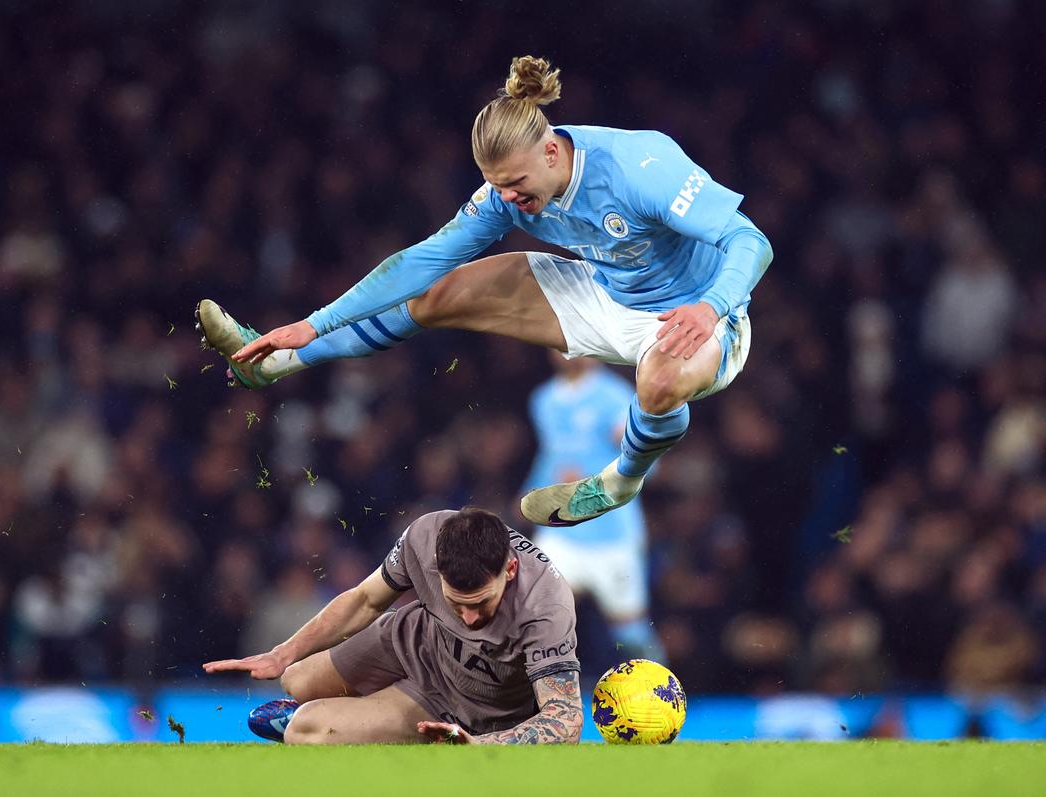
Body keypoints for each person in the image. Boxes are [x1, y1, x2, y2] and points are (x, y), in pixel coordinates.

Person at [196, 55, 772, 526]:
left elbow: (751, 241)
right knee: (437, 295)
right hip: (603, 293)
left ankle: (618, 482)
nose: (511, 200)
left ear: (552, 151)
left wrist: (710, 306)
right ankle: (272, 364)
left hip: (698, 312)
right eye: (498, 187)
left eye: (518, 186)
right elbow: (420, 261)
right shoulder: (506, 190)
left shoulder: (640, 164)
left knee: (661, 378)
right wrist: (313, 322)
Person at [202, 507, 583, 745]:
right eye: (457, 604)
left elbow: (565, 718)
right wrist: (283, 653)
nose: (468, 619)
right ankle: (348, 706)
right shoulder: (424, 536)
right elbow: (366, 599)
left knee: (305, 730)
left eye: (481, 603)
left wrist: (481, 746)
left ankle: (363, 715)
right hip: (411, 642)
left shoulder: (547, 608)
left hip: (463, 708)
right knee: (295, 679)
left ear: (511, 569)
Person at [523, 352, 665, 660]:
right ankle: (537, 697)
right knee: (536, 615)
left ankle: (664, 693)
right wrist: (531, 492)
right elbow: (551, 454)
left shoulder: (616, 397)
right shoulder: (543, 400)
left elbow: (650, 467)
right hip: (561, 531)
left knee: (630, 631)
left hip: (611, 533)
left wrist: (626, 446)